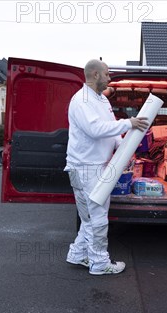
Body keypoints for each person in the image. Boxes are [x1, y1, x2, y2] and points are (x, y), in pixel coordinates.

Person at [65, 59, 149, 275]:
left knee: (90, 217)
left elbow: (109, 131)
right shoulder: (81, 100)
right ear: (95, 75)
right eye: (107, 74)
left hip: (94, 166)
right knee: (98, 217)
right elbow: (95, 129)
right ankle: (100, 263)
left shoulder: (101, 100)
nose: (109, 78)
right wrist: (128, 123)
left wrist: (124, 147)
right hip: (86, 168)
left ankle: (78, 254)